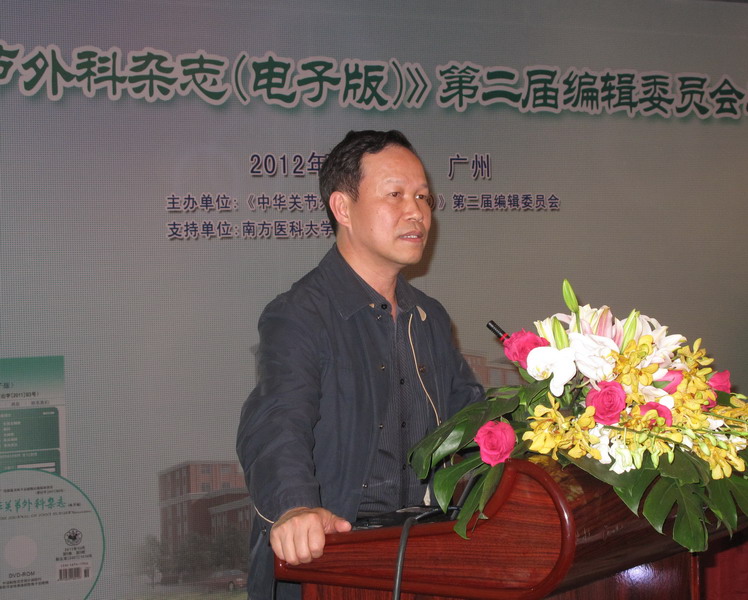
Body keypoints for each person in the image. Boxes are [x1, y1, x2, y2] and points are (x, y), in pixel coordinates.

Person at [236, 130, 484, 599]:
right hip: (337, 558)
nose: (416, 212)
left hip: (424, 556)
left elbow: (474, 421)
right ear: (343, 208)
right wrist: (294, 508)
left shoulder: (429, 316)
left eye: (423, 197)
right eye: (395, 195)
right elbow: (277, 421)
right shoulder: (300, 313)